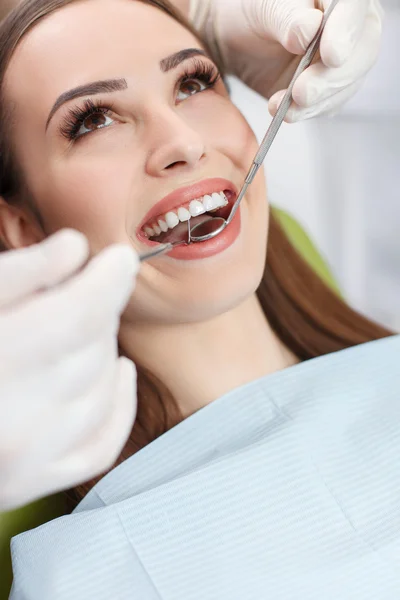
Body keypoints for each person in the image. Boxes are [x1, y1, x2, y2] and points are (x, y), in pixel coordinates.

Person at [1, 0, 399, 597]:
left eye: (192, 81)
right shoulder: (82, 577)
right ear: (23, 231)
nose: (183, 142)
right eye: (94, 120)